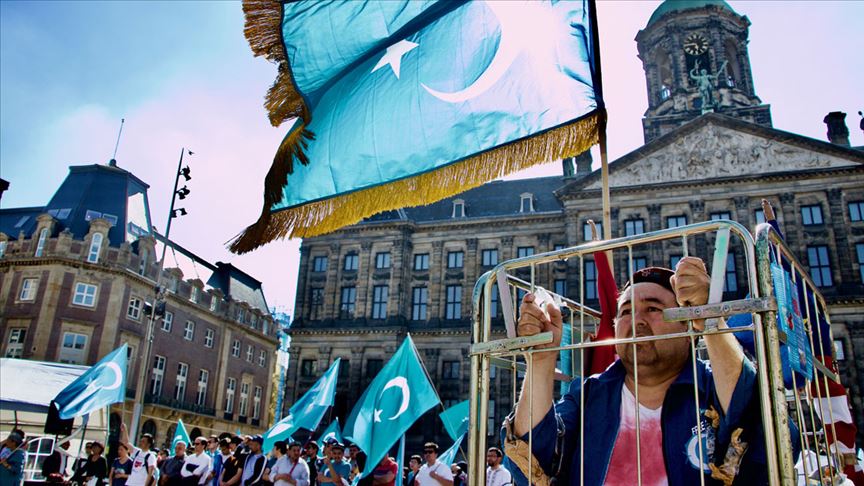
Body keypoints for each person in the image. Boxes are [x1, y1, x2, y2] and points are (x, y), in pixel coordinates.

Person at [506, 258, 785, 485]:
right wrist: (541, 363)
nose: (637, 321)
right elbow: (529, 464)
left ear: (689, 323)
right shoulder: (588, 394)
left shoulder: (714, 386)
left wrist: (712, 318)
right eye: (625, 312)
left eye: (653, 308)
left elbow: (772, 439)